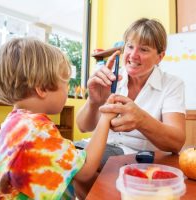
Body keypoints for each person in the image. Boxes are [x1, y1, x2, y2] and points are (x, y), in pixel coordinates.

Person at [0, 37, 116, 200]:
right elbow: (85, 171)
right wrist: (106, 116)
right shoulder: (38, 129)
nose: (67, 90)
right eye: (65, 83)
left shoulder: (12, 123)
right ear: (42, 88)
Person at [76, 18, 186, 164]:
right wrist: (93, 101)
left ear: (160, 57)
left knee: (73, 164)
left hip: (133, 156)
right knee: (57, 153)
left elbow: (176, 143)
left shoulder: (172, 84)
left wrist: (141, 120)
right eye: (130, 46)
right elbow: (83, 127)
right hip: (96, 146)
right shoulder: (111, 78)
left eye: (144, 49)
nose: (133, 55)